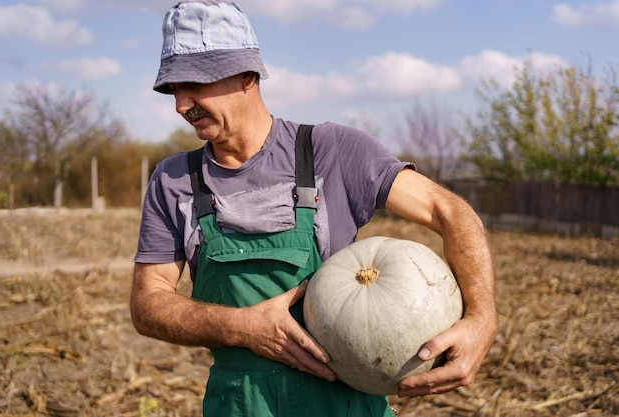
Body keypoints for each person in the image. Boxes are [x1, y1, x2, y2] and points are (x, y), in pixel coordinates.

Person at [130, 1, 498, 416]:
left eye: (193, 84)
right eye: (173, 90)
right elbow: (148, 305)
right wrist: (243, 327)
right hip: (239, 405)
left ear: (246, 75)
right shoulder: (174, 179)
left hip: (345, 403)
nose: (182, 105)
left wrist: (482, 318)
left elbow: (450, 211)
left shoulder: (331, 151)